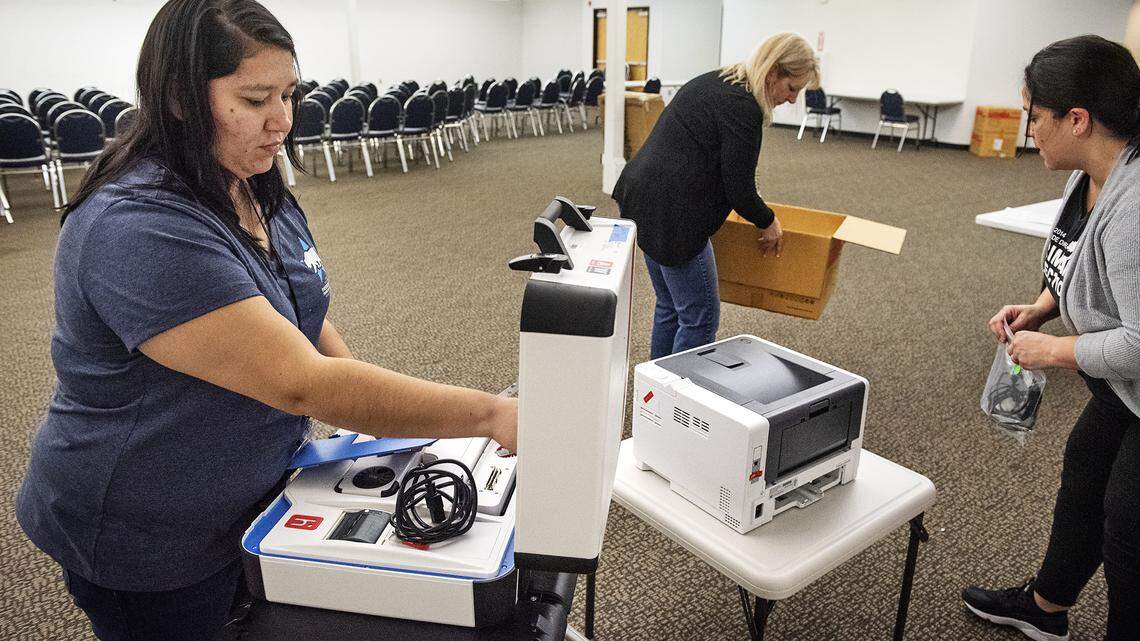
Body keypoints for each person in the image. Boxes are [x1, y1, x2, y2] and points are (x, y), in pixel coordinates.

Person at [14, 1, 516, 639]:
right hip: (146, 527)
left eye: (289, 94)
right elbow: (299, 381)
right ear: (178, 98)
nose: (282, 121)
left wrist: (384, 417)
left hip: (251, 488)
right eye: (255, 100)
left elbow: (308, 328)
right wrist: (488, 415)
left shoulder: (250, 181)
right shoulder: (139, 227)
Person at [964, 35, 1140, 641]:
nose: (1028, 129)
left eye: (1035, 117)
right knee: (1086, 474)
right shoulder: (1088, 177)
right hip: (1123, 389)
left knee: (1128, 529)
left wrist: (1056, 350)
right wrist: (1041, 308)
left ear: (1078, 118)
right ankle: (1045, 607)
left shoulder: (1136, 203)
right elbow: (1072, 263)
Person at [612, 32, 817, 359]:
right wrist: (769, 222)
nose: (793, 100)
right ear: (774, 71)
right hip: (673, 214)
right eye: (792, 88)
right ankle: (676, 397)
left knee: (670, 305)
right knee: (699, 317)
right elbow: (740, 190)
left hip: (641, 197)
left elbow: (721, 165)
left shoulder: (717, 80)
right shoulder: (743, 107)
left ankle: (657, 391)